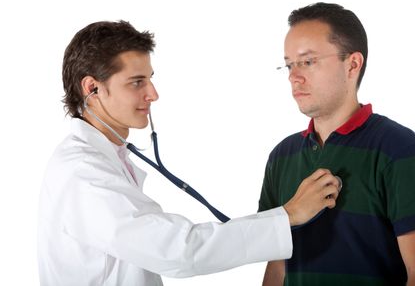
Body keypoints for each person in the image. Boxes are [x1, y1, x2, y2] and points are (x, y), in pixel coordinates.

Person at [37, 20, 342, 286]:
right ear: (92, 88)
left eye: (150, 78)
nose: (153, 93)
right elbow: (177, 251)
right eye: (137, 82)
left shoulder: (106, 158)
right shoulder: (82, 172)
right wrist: (289, 215)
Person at [259, 2, 415, 286]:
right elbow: (276, 268)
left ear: (353, 64)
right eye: (289, 64)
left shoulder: (398, 148)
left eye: (308, 61)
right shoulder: (282, 156)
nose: (293, 77)